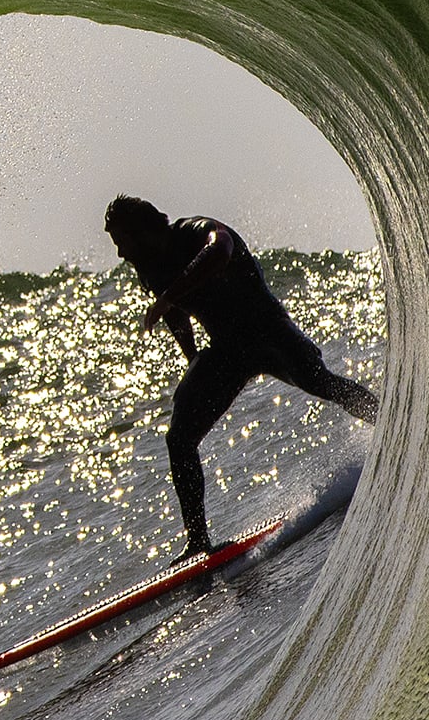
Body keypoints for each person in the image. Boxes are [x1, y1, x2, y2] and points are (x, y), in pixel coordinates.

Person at [104, 195, 377, 555]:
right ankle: (198, 542)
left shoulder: (193, 232)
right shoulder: (150, 268)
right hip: (227, 351)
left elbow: (222, 249)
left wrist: (170, 296)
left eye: (122, 241)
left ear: (143, 231)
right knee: (179, 439)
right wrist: (192, 357)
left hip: (268, 332)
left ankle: (390, 421)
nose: (121, 253)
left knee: (319, 382)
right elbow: (177, 315)